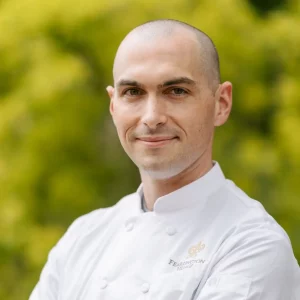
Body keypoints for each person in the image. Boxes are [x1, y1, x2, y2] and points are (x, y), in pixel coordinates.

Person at [30, 19, 300, 300]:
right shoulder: (83, 237)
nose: (151, 117)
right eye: (132, 92)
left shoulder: (252, 245)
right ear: (113, 105)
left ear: (221, 104)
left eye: (176, 91)